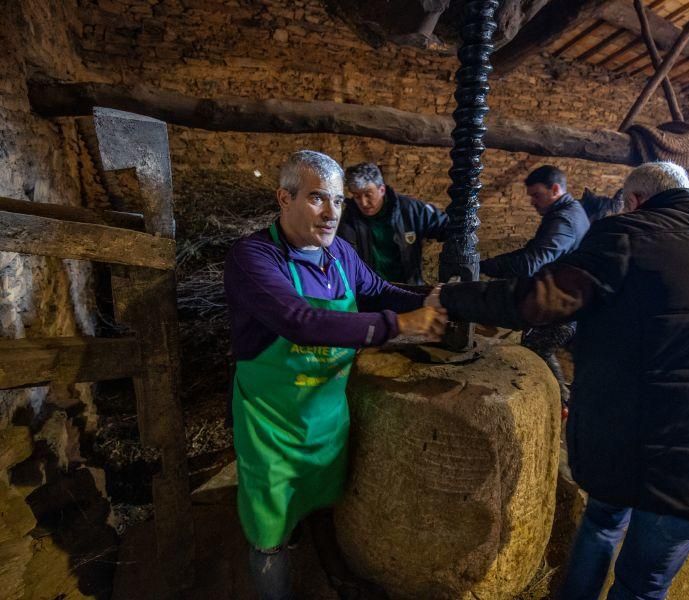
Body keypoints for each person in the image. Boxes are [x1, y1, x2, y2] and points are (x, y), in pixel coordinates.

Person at [430, 162, 689, 600]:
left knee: (604, 527)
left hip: (631, 439)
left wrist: (453, 297)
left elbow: (539, 299)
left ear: (635, 200)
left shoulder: (629, 233)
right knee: (644, 583)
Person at [224, 150, 446, 600]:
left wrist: (432, 297)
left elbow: (379, 290)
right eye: (317, 199)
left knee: (322, 503)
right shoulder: (253, 258)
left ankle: (334, 573)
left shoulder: (340, 252)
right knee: (270, 534)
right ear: (284, 199)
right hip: (273, 425)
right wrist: (398, 325)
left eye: (339, 202)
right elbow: (298, 320)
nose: (332, 214)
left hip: (326, 416)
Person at [479, 165, 590, 408]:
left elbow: (531, 263)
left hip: (565, 303)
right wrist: (490, 264)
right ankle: (564, 400)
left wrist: (488, 269)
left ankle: (560, 402)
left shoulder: (563, 221)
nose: (532, 202)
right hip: (570, 298)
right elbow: (531, 252)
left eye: (536, 195)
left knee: (536, 347)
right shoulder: (569, 211)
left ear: (555, 189)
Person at [338, 162, 449, 285]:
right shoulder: (349, 219)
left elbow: (447, 227)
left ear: (382, 190)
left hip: (408, 289)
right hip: (370, 292)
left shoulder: (411, 210)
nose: (363, 203)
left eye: (368, 195)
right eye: (357, 196)